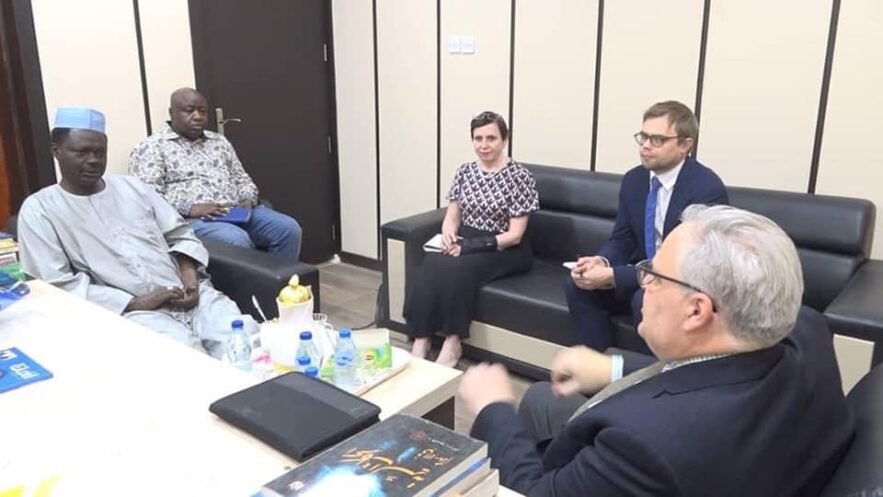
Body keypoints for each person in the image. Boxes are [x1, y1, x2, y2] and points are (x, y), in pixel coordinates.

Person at [458, 205, 854, 496]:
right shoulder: (808, 331)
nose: (643, 282)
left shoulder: (643, 448)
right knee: (543, 396)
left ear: (697, 310)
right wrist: (612, 369)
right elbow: (710, 376)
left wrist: (493, 407)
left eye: (654, 274)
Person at [19, 107, 246, 358]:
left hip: (192, 296)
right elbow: (54, 284)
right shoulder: (40, 210)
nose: (93, 160)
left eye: (100, 152)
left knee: (244, 344)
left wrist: (190, 278)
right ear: (56, 151)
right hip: (132, 314)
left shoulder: (133, 187)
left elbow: (180, 234)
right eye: (81, 152)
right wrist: (134, 303)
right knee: (188, 359)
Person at [566, 101, 728, 352]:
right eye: (643, 137)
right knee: (578, 286)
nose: (645, 146)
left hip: (683, 282)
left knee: (645, 300)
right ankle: (598, 367)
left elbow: (692, 263)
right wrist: (601, 261)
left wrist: (615, 276)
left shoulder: (706, 188)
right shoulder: (634, 180)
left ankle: (647, 375)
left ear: (685, 145)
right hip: (643, 274)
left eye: (657, 140)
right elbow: (623, 238)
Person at [404, 111, 539, 367]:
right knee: (431, 262)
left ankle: (453, 343)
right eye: (478, 138)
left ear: (504, 140)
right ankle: (421, 339)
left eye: (491, 138)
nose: (484, 145)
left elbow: (515, 235)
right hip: (467, 239)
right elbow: (452, 217)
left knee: (460, 269)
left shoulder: (520, 176)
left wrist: (467, 247)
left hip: (505, 247)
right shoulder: (465, 171)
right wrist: (448, 235)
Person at [128, 87, 302, 260]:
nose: (197, 116)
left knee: (288, 229)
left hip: (235, 212)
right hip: (192, 220)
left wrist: (247, 199)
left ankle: (282, 278)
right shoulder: (151, 147)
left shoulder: (219, 142)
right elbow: (148, 198)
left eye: (202, 111)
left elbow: (242, 178)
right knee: (235, 239)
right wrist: (191, 208)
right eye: (189, 110)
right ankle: (252, 280)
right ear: (172, 113)